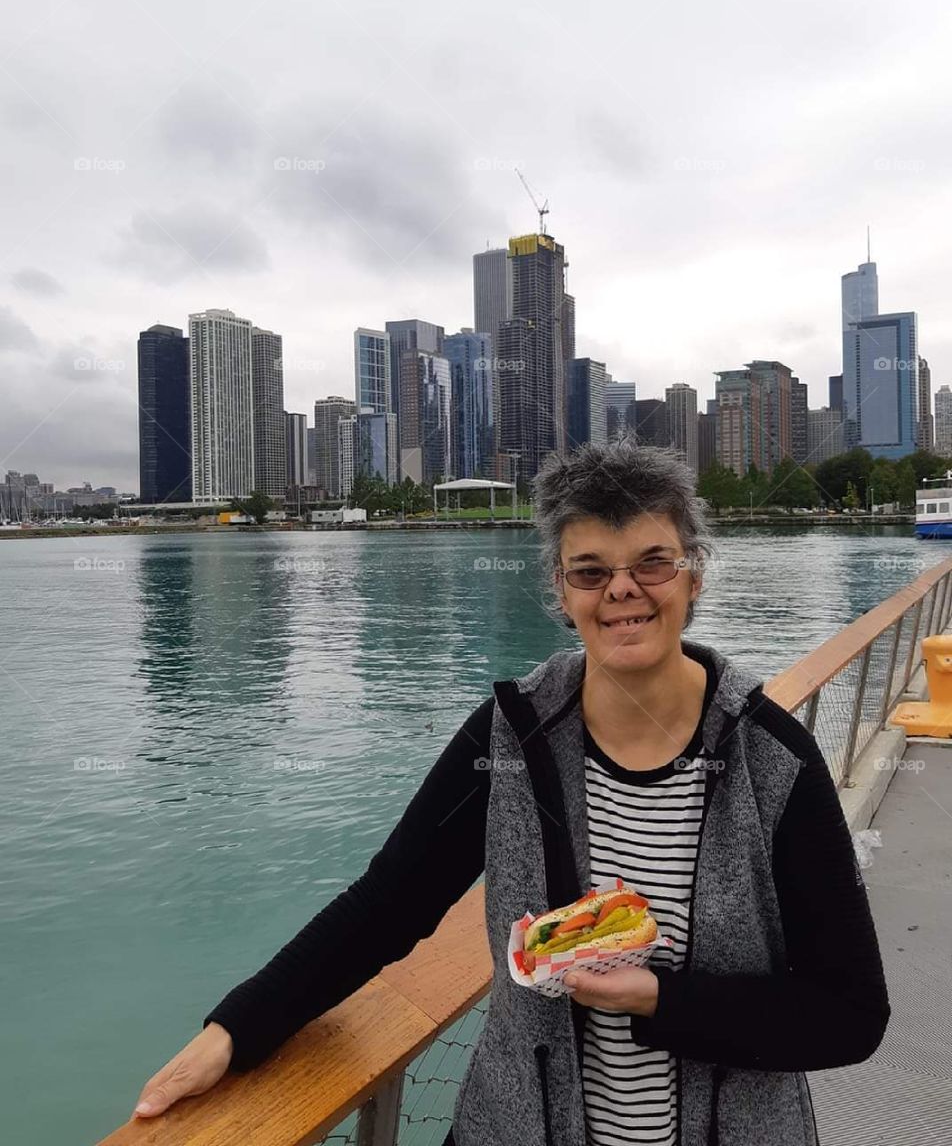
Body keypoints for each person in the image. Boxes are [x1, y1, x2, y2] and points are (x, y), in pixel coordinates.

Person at [133, 440, 889, 1145]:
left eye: (652, 562)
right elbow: (388, 904)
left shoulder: (772, 760)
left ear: (696, 573)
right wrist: (235, 1031)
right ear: (562, 593)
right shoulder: (510, 737)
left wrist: (659, 999)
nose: (623, 589)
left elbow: (851, 1015)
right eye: (590, 570)